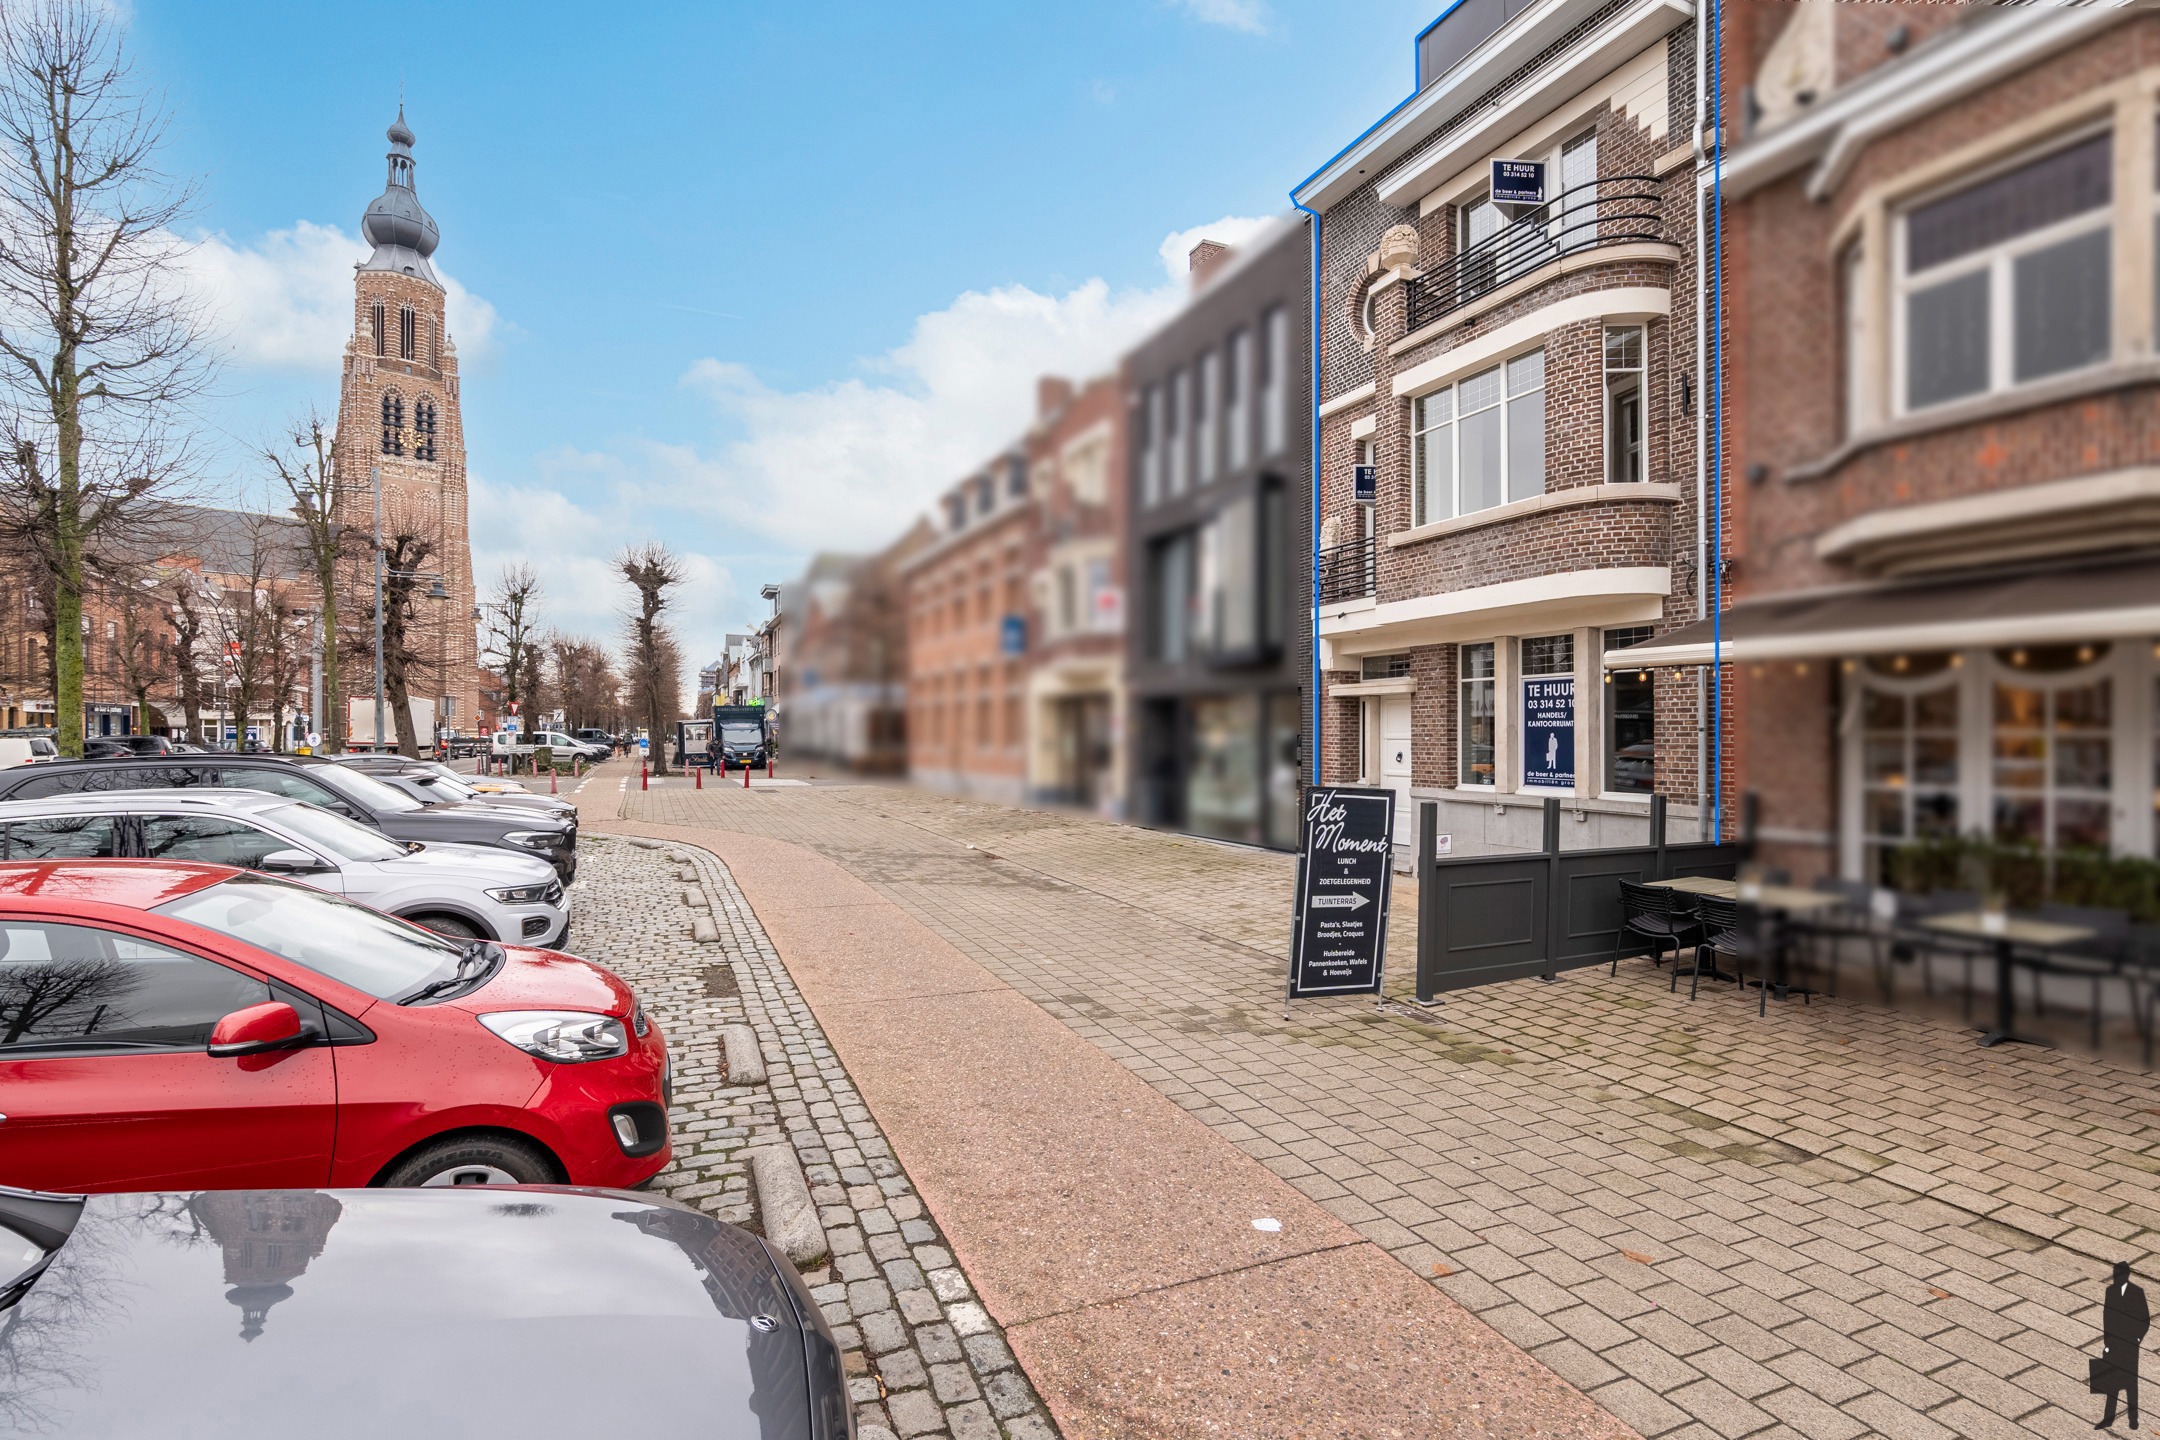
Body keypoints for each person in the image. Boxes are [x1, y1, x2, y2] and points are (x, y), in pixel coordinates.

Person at [2096, 1261, 2149, 1430]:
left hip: (2130, 1345)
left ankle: (2133, 1419)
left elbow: (2145, 1319)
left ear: (2126, 1275)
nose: (2115, 1277)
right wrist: (2107, 1342)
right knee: (2112, 1381)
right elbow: (2107, 1317)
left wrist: (2137, 1338)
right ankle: (2108, 1418)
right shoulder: (2110, 1291)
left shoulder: (2136, 1292)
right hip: (2114, 1343)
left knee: (2131, 1383)